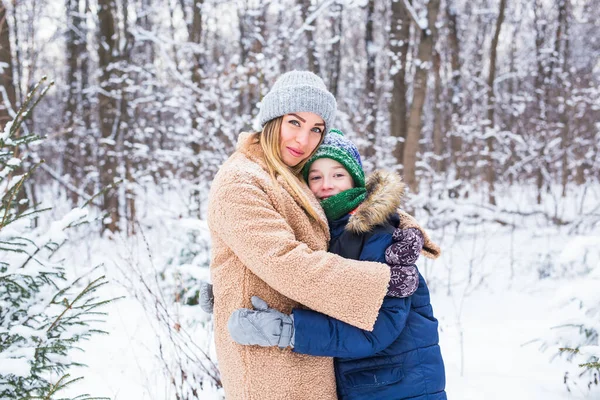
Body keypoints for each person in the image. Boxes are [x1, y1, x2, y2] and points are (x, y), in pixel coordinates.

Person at [206, 70, 437, 400]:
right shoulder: (242, 180)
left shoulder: (289, 174)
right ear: (272, 120)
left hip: (309, 358)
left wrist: (401, 227)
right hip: (271, 370)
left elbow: (347, 206)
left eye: (316, 129)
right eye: (295, 123)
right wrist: (382, 281)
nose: (304, 140)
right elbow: (286, 261)